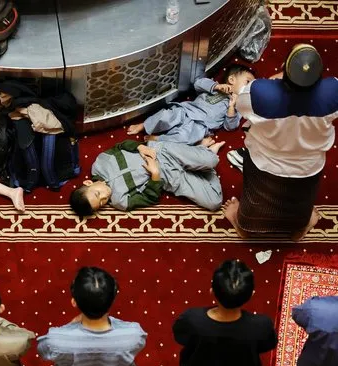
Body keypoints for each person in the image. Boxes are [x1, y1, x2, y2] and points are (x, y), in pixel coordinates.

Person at [222, 44, 338, 241]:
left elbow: (242, 107)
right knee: (302, 201)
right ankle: (299, 229)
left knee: (255, 199)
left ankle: (242, 226)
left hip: (264, 163)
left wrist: (276, 81)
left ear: (284, 68)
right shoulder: (333, 91)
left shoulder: (259, 93)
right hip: (308, 166)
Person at [69, 138, 224, 216]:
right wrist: (155, 174)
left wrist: (140, 147)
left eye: (98, 194)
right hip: (171, 178)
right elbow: (150, 197)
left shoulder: (100, 163)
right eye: (102, 203)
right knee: (214, 202)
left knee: (212, 160)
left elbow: (120, 145)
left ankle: (204, 156)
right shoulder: (120, 202)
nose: (105, 196)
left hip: (163, 153)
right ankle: (202, 159)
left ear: (88, 182)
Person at [127, 65, 255, 144]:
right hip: (188, 110)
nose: (250, 87)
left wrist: (231, 107)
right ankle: (144, 125)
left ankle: (159, 139)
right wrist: (216, 87)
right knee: (165, 116)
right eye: (248, 82)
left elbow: (230, 126)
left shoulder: (239, 107)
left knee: (184, 138)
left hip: (201, 126)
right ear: (232, 79)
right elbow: (198, 83)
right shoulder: (216, 86)